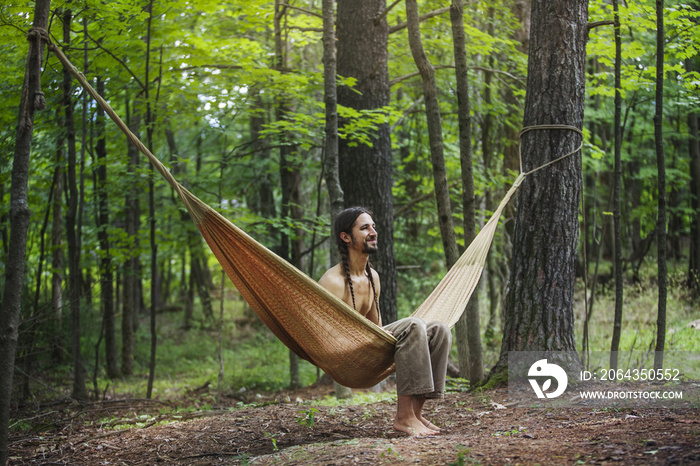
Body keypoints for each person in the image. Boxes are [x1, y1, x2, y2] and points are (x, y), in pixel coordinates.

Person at [318, 206, 452, 436]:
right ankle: (403, 417)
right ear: (345, 237)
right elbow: (325, 337)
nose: (373, 231)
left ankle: (415, 414)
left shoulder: (373, 276)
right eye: (364, 228)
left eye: (373, 226)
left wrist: (380, 340)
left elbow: (376, 327)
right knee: (413, 325)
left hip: (370, 349)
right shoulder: (332, 282)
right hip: (347, 358)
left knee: (439, 330)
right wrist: (372, 339)